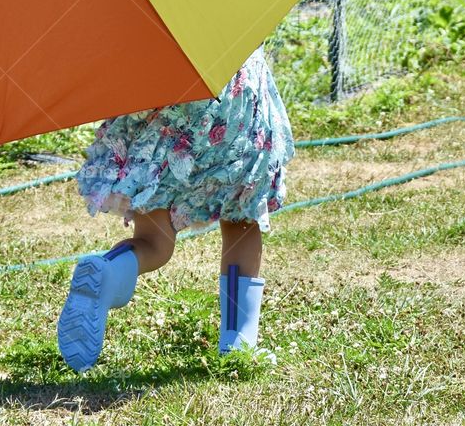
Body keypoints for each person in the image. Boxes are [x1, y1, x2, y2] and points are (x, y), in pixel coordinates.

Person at [56, 46, 294, 372]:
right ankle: (238, 345)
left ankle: (108, 272)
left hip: (162, 91)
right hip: (234, 97)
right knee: (241, 219)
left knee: (155, 243)